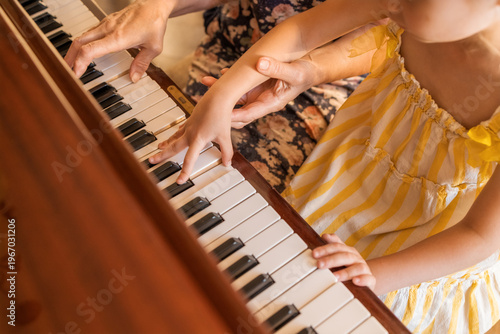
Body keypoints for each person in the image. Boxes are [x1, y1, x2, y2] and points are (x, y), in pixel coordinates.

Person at [145, 0, 500, 332]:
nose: (389, 7)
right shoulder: (408, 5)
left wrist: (369, 277)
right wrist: (223, 94)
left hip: (422, 249)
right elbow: (302, 32)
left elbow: (479, 236)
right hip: (346, 173)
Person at [64, 0, 366, 192]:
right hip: (229, 47)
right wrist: (156, 6)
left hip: (313, 86)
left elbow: (384, 41)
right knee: (105, 145)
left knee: (208, 188)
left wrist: (305, 72)